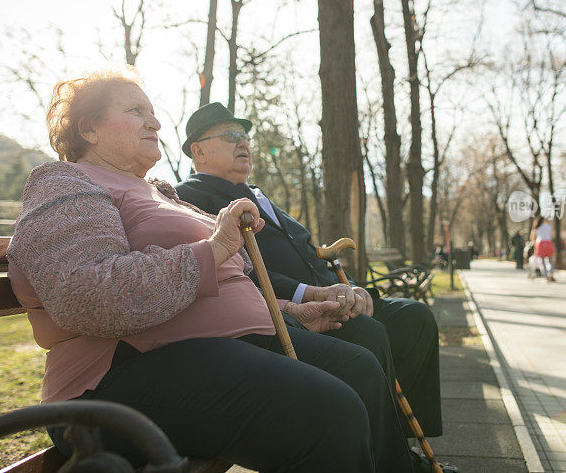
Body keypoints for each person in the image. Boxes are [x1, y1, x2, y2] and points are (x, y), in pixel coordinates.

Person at [6, 67, 416, 472]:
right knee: (331, 412)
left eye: (151, 111)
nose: (155, 122)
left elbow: (223, 282)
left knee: (359, 370)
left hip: (209, 350)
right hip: (113, 382)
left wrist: (294, 312)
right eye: (135, 111)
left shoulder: (156, 191)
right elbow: (86, 296)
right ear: (89, 130)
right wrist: (216, 246)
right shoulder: (66, 183)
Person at [174, 102, 444, 443]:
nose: (244, 143)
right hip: (289, 312)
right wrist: (309, 293)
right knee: (369, 333)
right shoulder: (191, 198)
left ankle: (397, 444)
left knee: (415, 318)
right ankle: (387, 454)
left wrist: (354, 289)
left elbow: (310, 250)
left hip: (333, 292)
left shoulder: (256, 193)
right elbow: (238, 272)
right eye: (230, 136)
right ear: (199, 151)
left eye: (245, 136)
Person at [531, 216, 556, 282]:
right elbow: (551, 234)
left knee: (542, 262)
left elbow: (533, 237)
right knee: (550, 260)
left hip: (540, 243)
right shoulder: (548, 226)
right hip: (549, 243)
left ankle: (545, 276)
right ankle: (551, 273)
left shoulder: (536, 228)